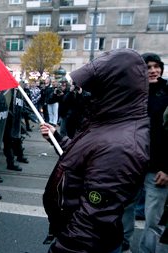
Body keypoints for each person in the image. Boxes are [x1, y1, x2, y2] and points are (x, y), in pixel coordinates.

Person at [40, 48, 149, 253]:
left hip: (84, 244)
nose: (87, 94)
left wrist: (61, 249)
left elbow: (91, 223)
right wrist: (58, 137)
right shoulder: (108, 124)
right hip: (76, 234)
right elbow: (85, 157)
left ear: (111, 90)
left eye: (93, 88)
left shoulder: (120, 145)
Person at [136, 52, 168, 253]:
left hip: (157, 169)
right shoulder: (132, 92)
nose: (153, 70)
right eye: (148, 67)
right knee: (124, 210)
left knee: (154, 219)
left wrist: (167, 168)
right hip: (132, 164)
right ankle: (122, 243)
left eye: (156, 66)